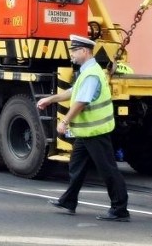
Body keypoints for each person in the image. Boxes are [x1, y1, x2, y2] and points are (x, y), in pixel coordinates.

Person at [37, 34, 129, 221]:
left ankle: (120, 209)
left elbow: (81, 101)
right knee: (76, 166)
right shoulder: (87, 71)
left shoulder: (92, 73)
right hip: (86, 132)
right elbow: (73, 92)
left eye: (74, 51)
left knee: (107, 170)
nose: (71, 54)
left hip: (95, 131)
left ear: (85, 51)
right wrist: (50, 99)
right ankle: (69, 200)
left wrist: (64, 121)